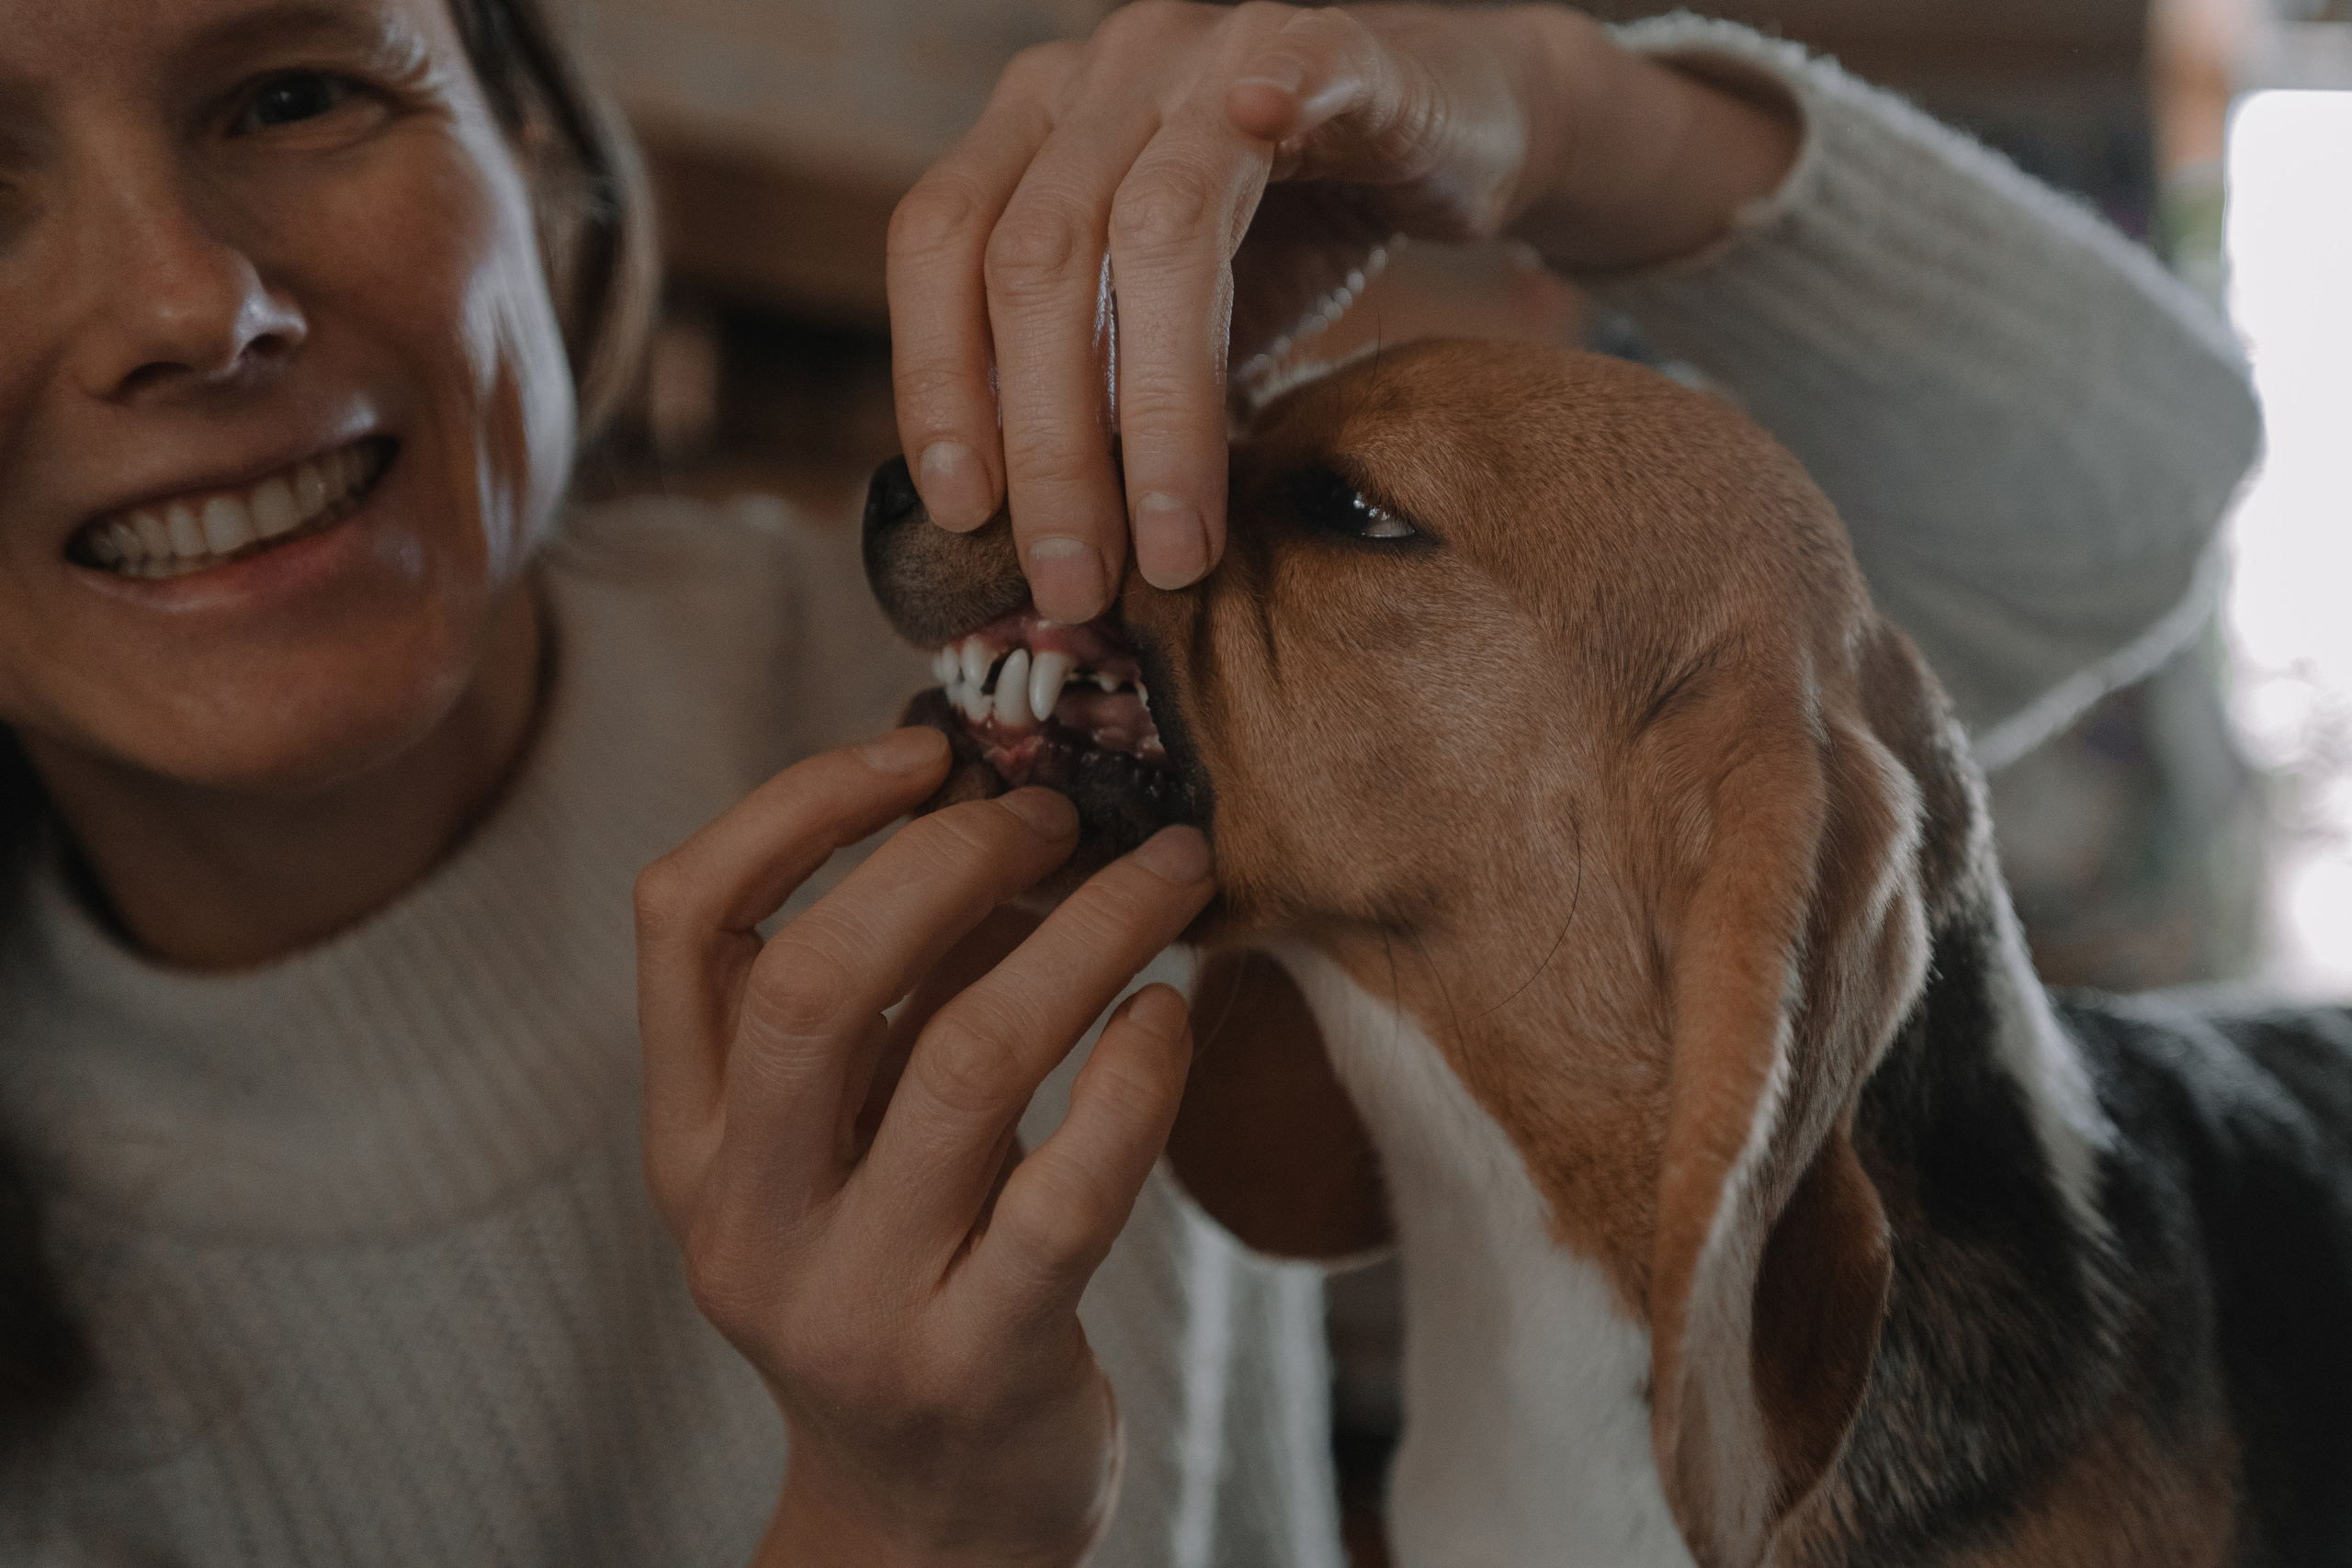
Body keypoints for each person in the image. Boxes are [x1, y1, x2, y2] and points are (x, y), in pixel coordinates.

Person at [0, 3, 2258, 1566]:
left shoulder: (1032, 693)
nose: (185, 302)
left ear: (539, 162)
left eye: (299, 83)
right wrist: (901, 1528)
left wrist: (1559, 112)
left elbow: (2107, 522)